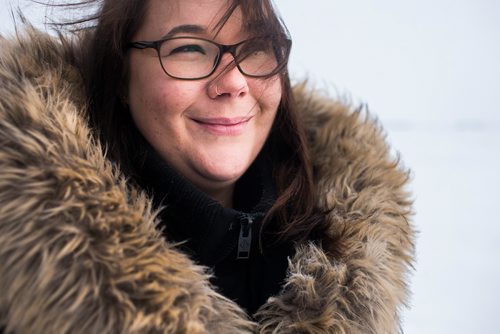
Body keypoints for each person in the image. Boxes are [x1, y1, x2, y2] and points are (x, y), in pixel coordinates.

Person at [0, 0, 416, 333]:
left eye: (254, 47)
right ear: (120, 76)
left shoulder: (346, 254)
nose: (233, 82)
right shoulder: (28, 271)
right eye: (189, 49)